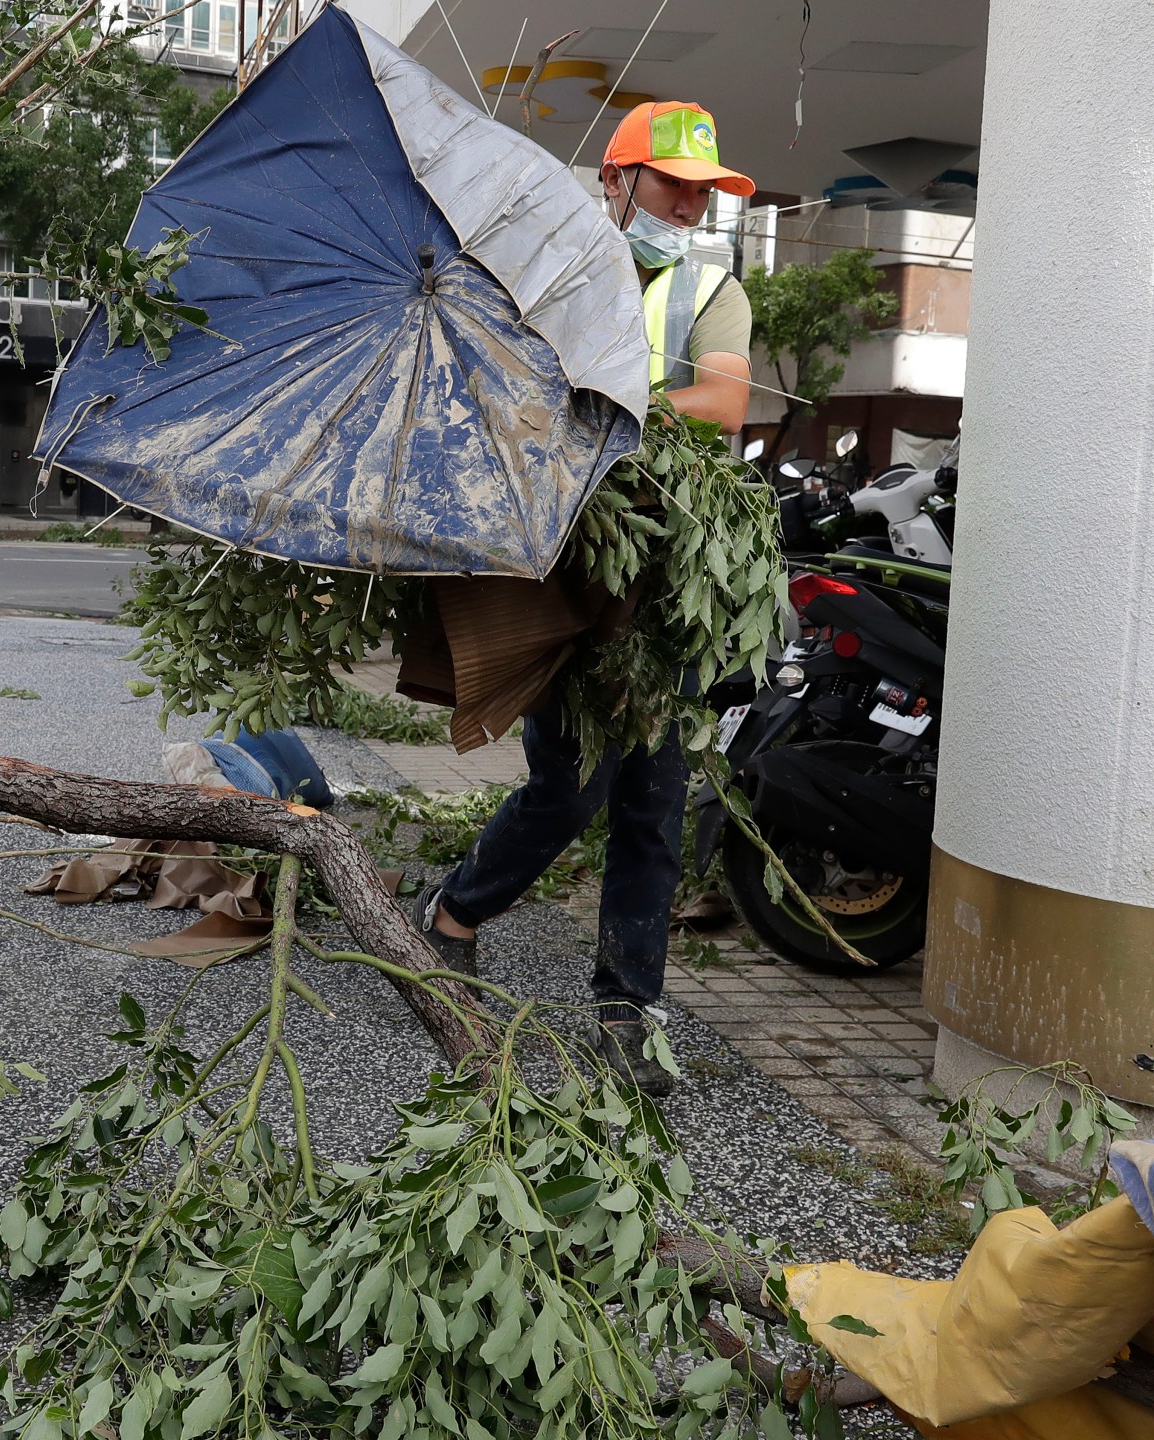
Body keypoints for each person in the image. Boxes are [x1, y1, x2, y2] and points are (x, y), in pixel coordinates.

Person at [414, 101, 756, 1099]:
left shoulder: (711, 289)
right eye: (672, 184)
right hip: (562, 563)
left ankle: (627, 1007)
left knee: (652, 800)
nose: (690, 207)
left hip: (666, 571)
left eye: (703, 191)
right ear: (615, 182)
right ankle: (452, 914)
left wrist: (599, 411)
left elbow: (724, 404)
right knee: (570, 786)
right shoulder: (545, 277)